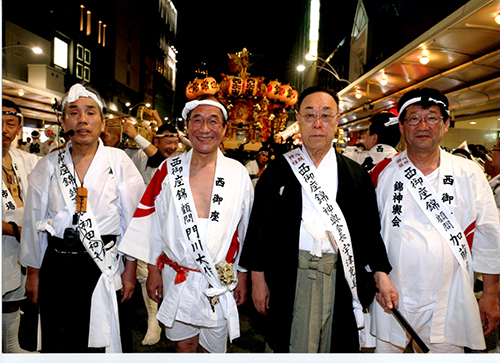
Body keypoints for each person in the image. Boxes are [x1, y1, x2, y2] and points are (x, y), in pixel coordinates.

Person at [239, 85, 396, 353]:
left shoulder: (355, 174)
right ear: (298, 120)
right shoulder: (278, 170)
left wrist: (380, 272)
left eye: (326, 115)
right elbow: (259, 229)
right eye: (310, 115)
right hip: (290, 272)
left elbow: (369, 230)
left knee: (335, 345)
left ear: (337, 121)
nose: (318, 124)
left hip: (340, 275)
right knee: (292, 344)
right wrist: (257, 279)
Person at [119, 95, 254, 353]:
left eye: (213, 121)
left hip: (218, 278)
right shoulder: (167, 170)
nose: (204, 129)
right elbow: (152, 222)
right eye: (197, 121)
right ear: (187, 127)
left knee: (213, 349)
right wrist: (153, 270)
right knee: (185, 346)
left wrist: (244, 274)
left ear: (224, 129)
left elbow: (246, 229)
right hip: (176, 275)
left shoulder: (237, 173)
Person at [370, 88, 500, 353]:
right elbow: (368, 232)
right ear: (403, 127)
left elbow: (489, 235)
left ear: (446, 125)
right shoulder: (382, 173)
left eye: (432, 118)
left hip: (449, 296)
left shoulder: (468, 173)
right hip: (390, 292)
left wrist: (489, 295)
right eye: (414, 118)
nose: (423, 126)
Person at [19, 83, 145, 353]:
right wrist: (33, 273)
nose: (82, 120)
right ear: (64, 122)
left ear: (102, 124)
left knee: (101, 340)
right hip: (56, 265)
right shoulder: (48, 165)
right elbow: (33, 220)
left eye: (90, 113)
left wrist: (131, 268)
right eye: (73, 113)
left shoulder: (118, 161)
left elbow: (134, 219)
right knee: (59, 339)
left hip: (102, 264)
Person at [2, 99, 39, 353]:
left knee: (13, 296)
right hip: (11, 235)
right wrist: (13, 230)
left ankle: (12, 346)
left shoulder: (25, 159)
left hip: (20, 242)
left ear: (19, 127)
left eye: (10, 123)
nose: (4, 129)